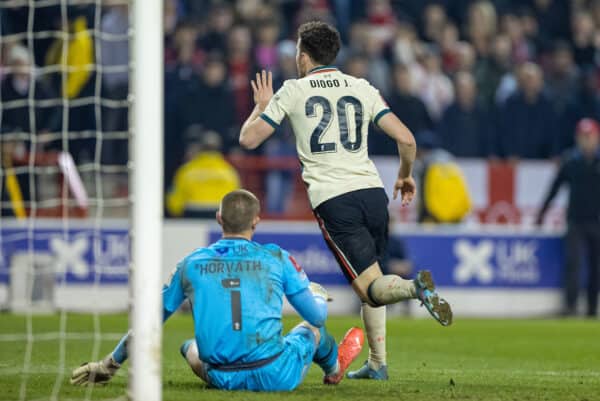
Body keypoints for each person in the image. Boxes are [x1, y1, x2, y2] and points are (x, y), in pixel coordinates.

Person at [239, 21, 452, 381]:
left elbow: (248, 139)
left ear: (304, 57)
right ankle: (378, 363)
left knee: (371, 287)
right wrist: (405, 174)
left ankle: (415, 287)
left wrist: (260, 106)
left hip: (335, 199)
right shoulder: (362, 87)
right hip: (373, 194)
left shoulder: (292, 90)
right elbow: (407, 139)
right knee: (374, 277)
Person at [71, 190, 364, 390]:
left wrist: (110, 364)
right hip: (276, 374)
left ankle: (326, 365)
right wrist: (315, 293)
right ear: (256, 221)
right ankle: (334, 368)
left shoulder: (191, 263)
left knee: (190, 347)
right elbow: (317, 316)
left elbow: (149, 321)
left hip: (221, 377)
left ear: (218, 218)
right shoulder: (276, 257)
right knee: (311, 330)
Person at [536, 118, 600, 318]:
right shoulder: (571, 161)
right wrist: (542, 213)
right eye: (583, 137)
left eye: (589, 137)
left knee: (596, 266)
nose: (586, 141)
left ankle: (592, 308)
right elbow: (554, 188)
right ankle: (570, 306)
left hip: (597, 221)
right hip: (575, 221)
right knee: (573, 263)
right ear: (577, 138)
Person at [166, 127, 241, 218]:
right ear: (220, 148)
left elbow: (174, 205)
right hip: (220, 220)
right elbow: (237, 203)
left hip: (192, 218)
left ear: (200, 148)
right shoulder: (230, 172)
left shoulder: (186, 171)